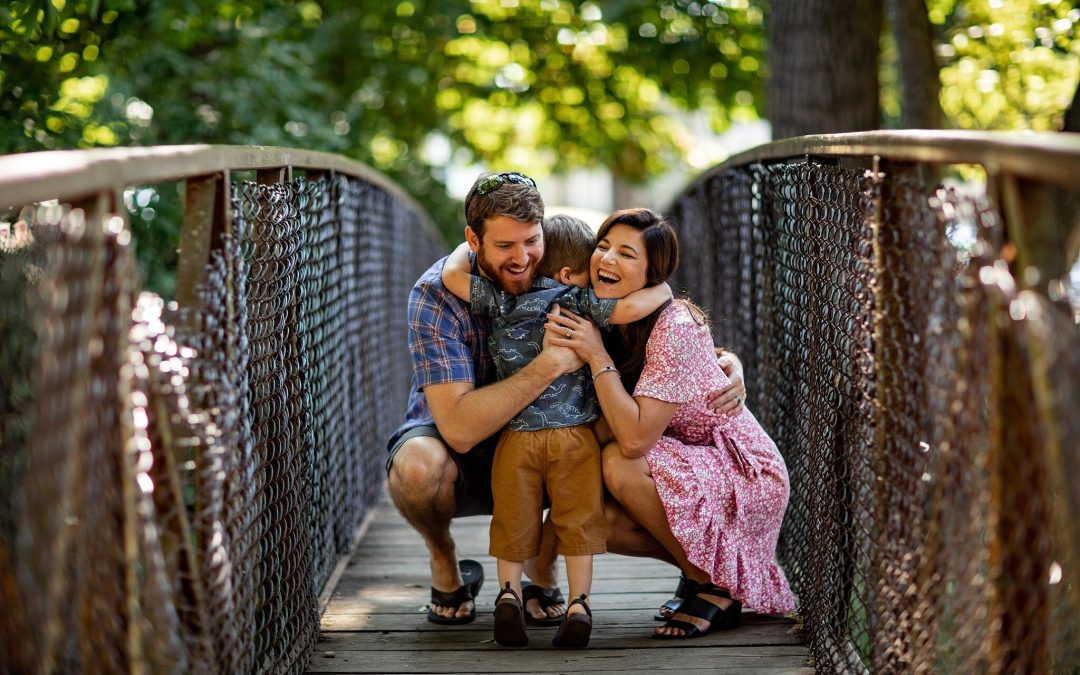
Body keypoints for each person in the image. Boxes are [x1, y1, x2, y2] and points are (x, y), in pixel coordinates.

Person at [386, 173, 748, 630]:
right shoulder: (440, 294)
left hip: (550, 431)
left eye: (531, 242)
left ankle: (545, 574)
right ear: (473, 241)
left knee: (590, 437)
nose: (521, 260)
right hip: (461, 439)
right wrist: (550, 364)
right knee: (419, 468)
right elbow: (459, 429)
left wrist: (726, 361)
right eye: (504, 247)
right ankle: (445, 559)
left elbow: (658, 332)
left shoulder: (568, 285)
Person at [544, 208, 796, 638]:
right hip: (682, 454)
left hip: (739, 467)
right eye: (603, 247)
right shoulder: (608, 316)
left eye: (626, 254)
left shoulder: (673, 324)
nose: (607, 261)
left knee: (619, 462)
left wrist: (596, 355)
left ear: (652, 274)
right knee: (592, 518)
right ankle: (696, 569)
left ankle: (715, 586)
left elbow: (637, 439)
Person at [440, 213, 673, 647]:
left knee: (513, 520)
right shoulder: (579, 301)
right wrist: (665, 286)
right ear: (568, 274)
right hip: (575, 438)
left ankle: (508, 594)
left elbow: (453, 275)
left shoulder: (503, 301)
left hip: (515, 437)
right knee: (579, 523)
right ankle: (579, 604)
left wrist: (466, 247)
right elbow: (635, 306)